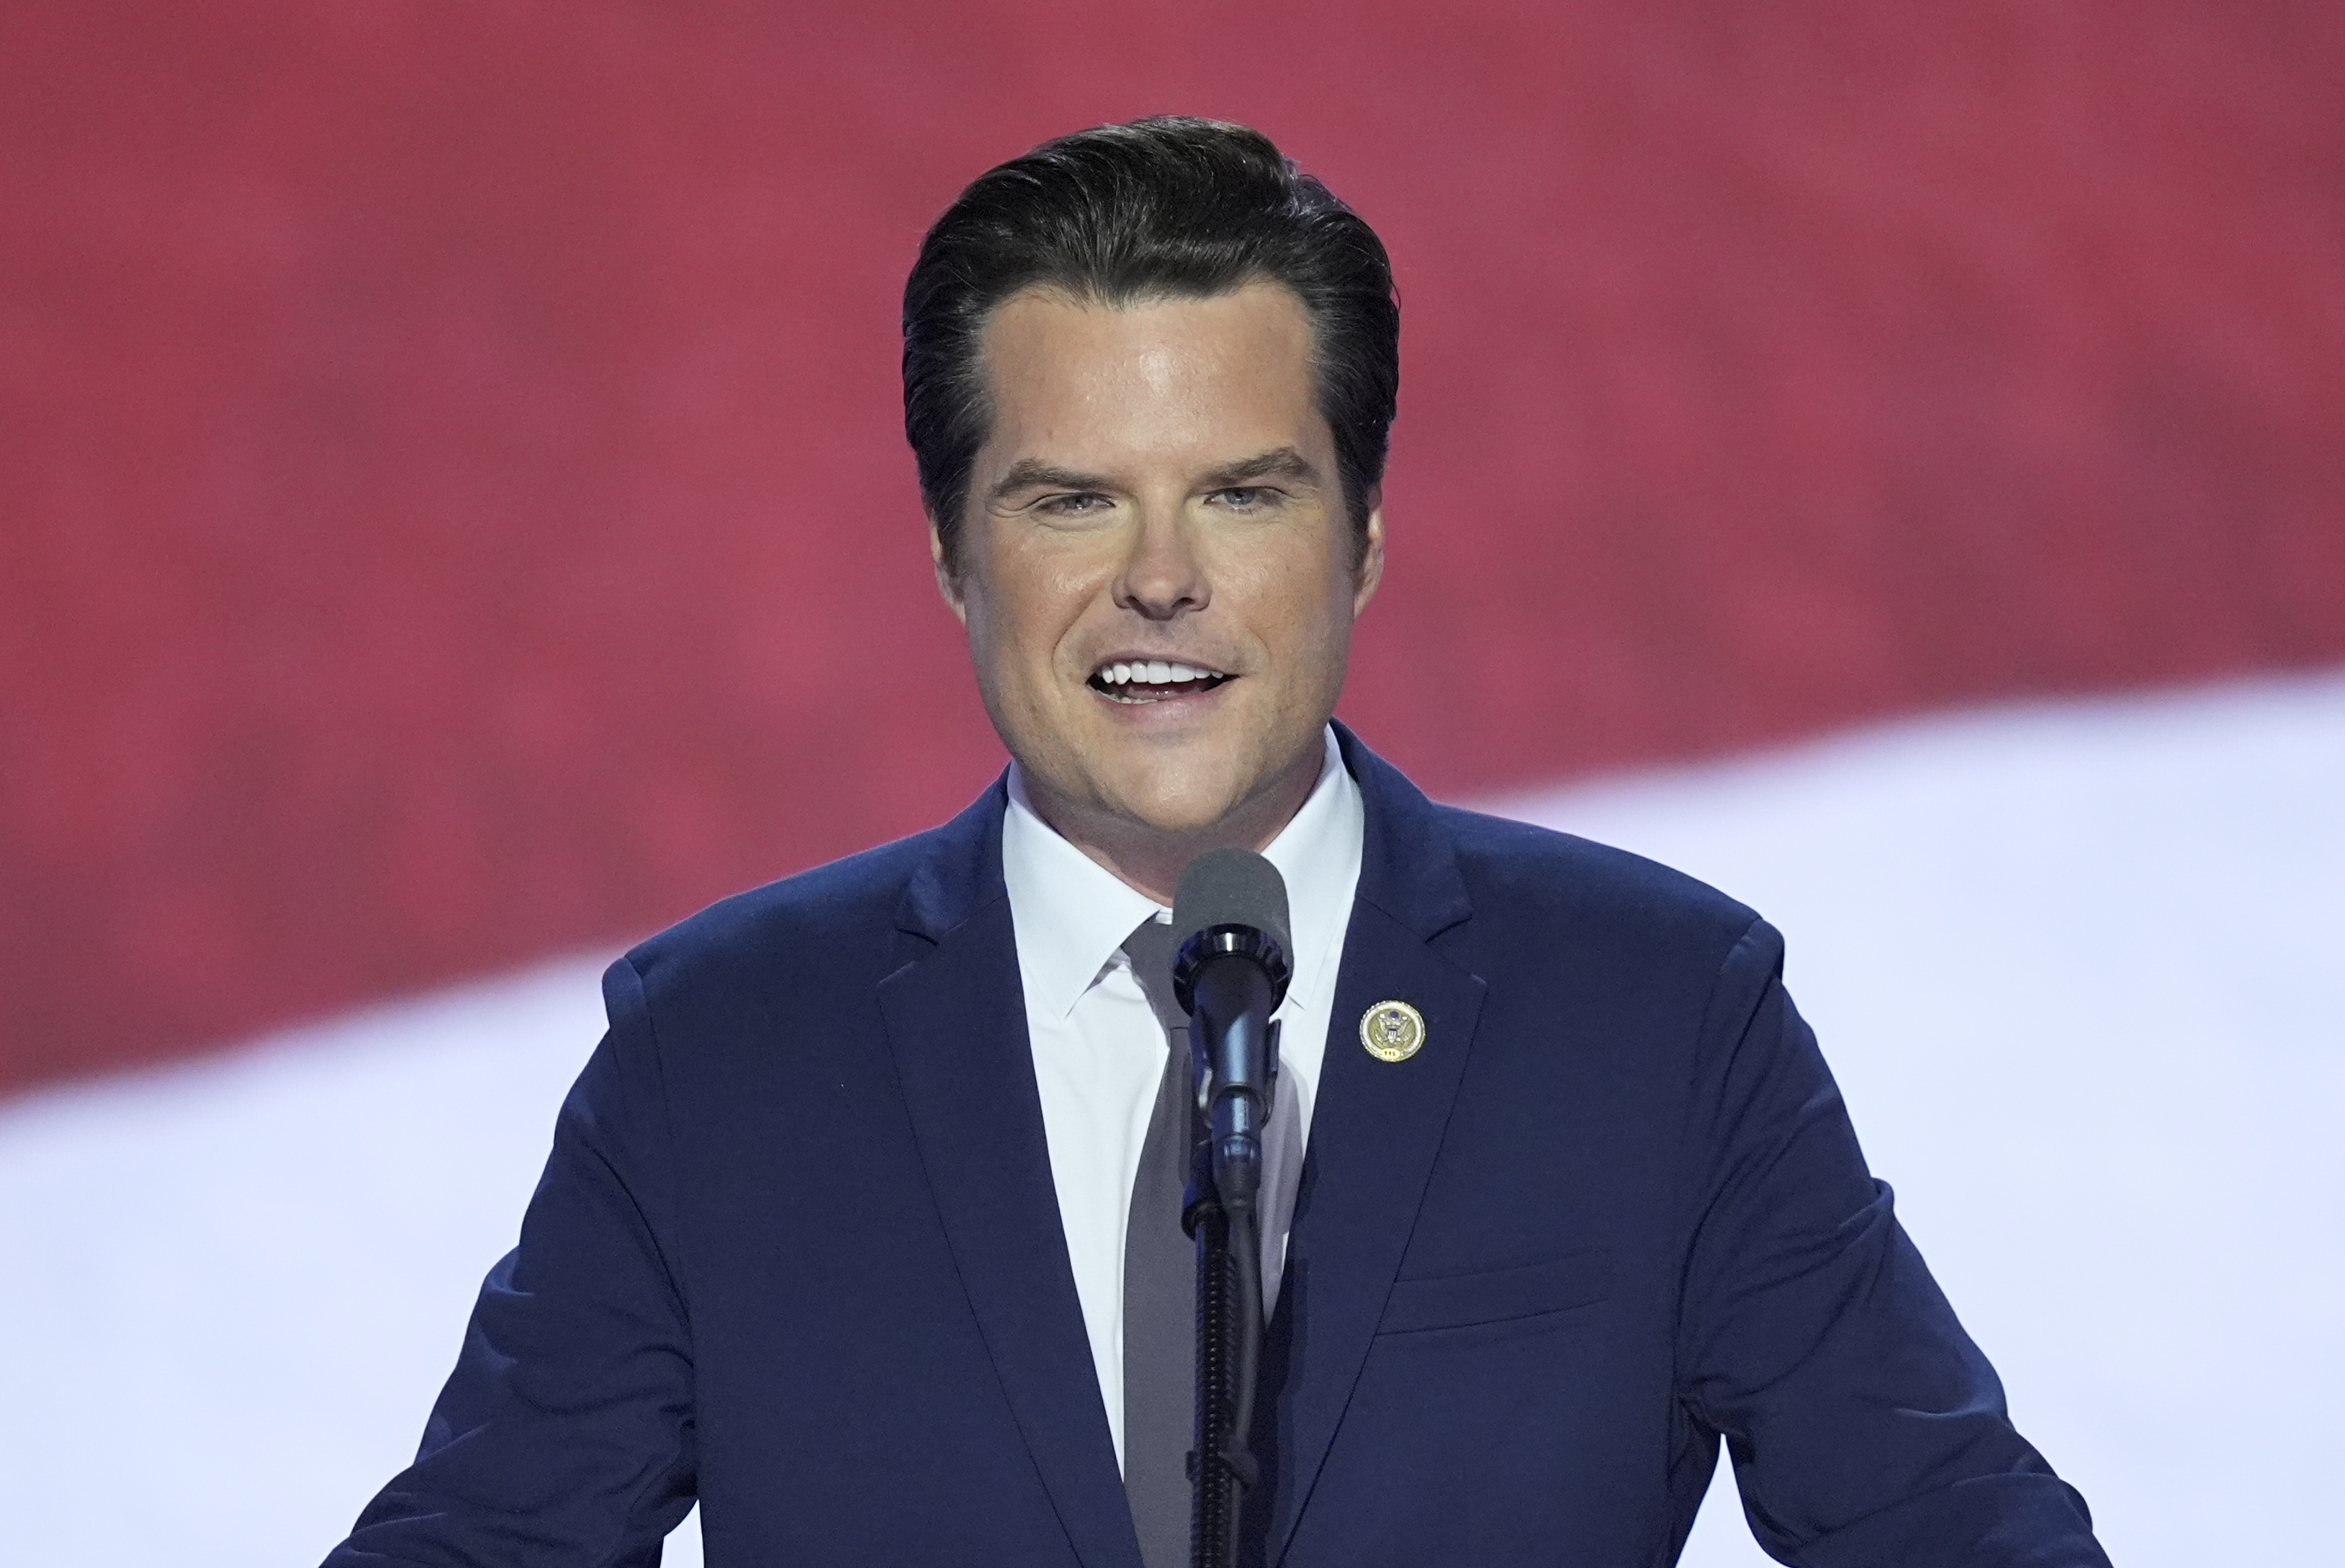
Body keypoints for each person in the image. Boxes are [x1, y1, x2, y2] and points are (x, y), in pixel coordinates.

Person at [324, 117, 2109, 1567]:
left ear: (1366, 540)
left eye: (1244, 492)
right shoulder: (720, 1054)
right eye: (1071, 498)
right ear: (954, 556)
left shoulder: (1659, 1015)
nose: (1159, 578)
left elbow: (1956, 1534)